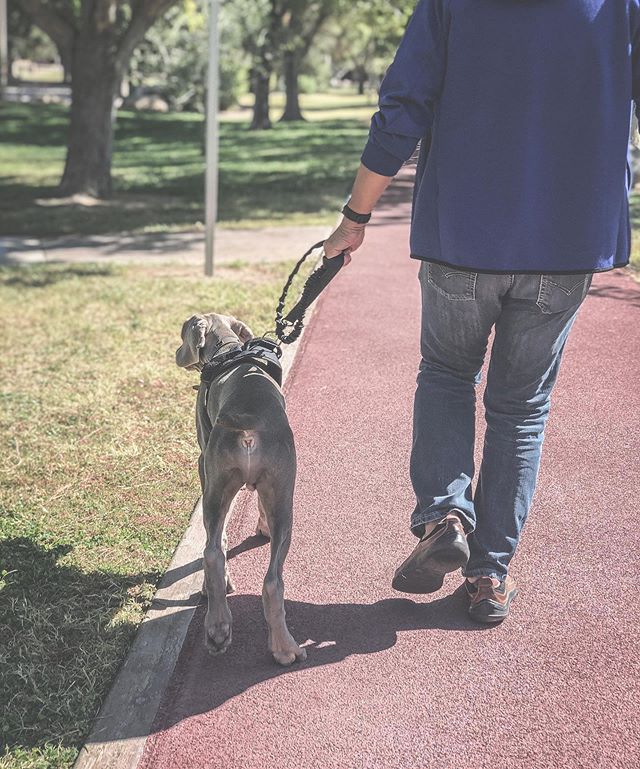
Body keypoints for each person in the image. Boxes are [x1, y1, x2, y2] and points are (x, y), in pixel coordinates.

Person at [323, 0, 637, 623]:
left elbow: (402, 105)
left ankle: (444, 514)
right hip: (567, 240)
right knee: (520, 408)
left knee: (445, 374)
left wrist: (355, 216)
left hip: (462, 235)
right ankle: (490, 575)